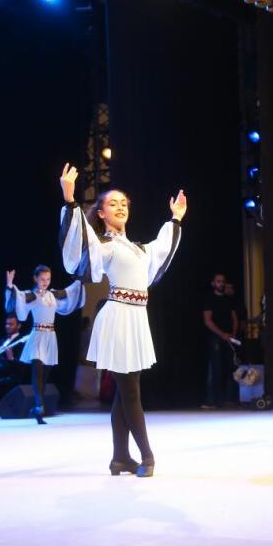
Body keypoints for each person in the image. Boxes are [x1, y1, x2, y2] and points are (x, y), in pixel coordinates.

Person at [59, 163, 185, 477]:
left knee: (125, 390)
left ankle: (120, 458)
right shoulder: (105, 245)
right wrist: (70, 200)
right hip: (117, 318)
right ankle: (147, 456)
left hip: (136, 318)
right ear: (101, 213)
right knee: (130, 392)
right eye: (112, 204)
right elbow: (82, 243)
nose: (120, 207)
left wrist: (175, 219)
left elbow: (161, 249)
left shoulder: (137, 249)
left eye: (124, 203)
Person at [5, 265, 83, 424]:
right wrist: (10, 285)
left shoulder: (53, 295)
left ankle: (36, 408)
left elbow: (69, 292)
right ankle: (39, 405)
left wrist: (79, 280)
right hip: (37, 336)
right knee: (37, 371)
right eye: (42, 279)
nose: (45, 282)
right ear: (35, 278)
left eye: (48, 279)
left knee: (45, 376)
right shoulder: (32, 296)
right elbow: (18, 297)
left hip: (50, 337)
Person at [200, 272, 238, 410]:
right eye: (218, 281)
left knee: (230, 368)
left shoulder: (229, 300)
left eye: (223, 281)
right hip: (215, 338)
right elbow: (207, 321)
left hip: (229, 338)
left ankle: (229, 399)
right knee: (215, 368)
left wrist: (232, 334)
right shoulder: (209, 299)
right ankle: (212, 400)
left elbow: (234, 318)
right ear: (213, 283)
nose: (221, 284)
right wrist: (222, 334)